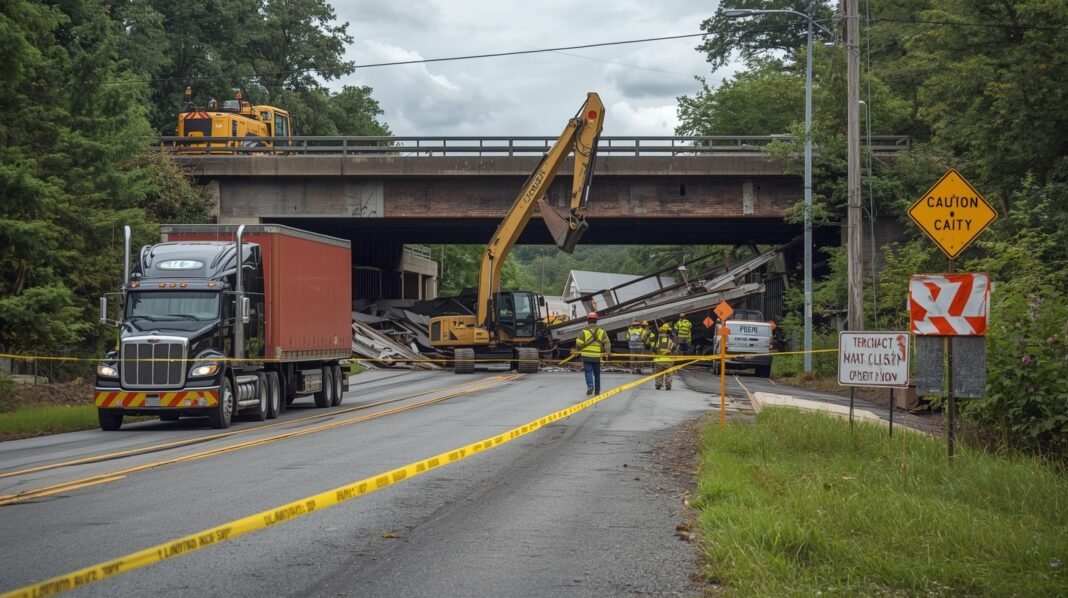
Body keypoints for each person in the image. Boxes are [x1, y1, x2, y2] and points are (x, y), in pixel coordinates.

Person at [574, 312, 611, 396]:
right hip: (597, 356)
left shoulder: (583, 332)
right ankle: (597, 390)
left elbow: (579, 344)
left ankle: (590, 386)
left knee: (588, 372)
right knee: (597, 374)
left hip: (586, 356)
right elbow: (607, 342)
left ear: (588, 321)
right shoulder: (601, 332)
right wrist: (607, 352)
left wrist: (578, 349)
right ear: (596, 321)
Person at [653, 323, 677, 390]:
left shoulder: (658, 339)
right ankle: (668, 385)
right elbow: (674, 348)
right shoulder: (671, 340)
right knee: (668, 374)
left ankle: (658, 384)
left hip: (659, 360)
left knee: (659, 373)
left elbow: (654, 349)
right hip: (669, 360)